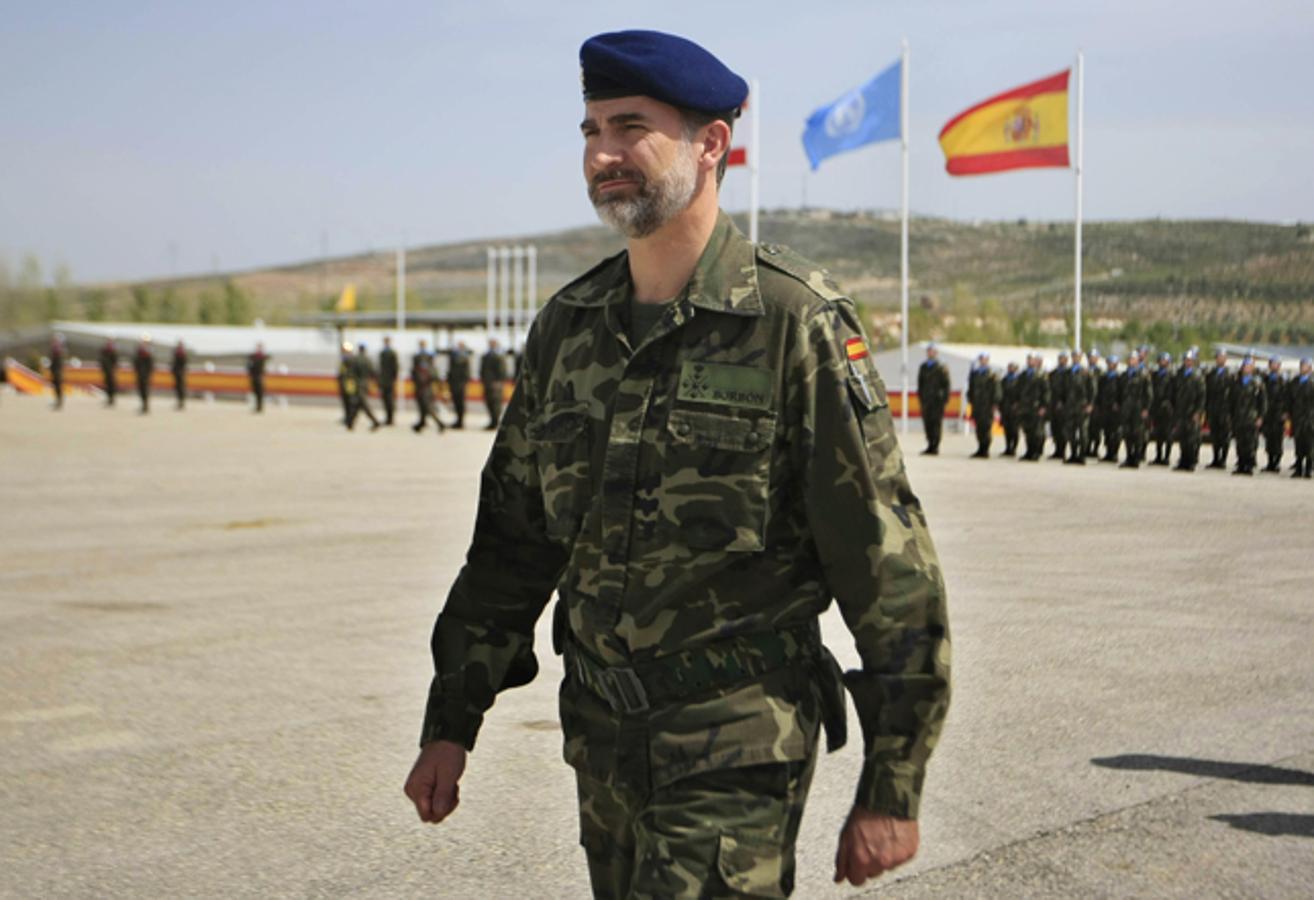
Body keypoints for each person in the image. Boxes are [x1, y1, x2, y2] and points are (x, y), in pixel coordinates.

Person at [402, 30, 950, 898]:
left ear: (712, 145)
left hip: (736, 743)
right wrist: (452, 720)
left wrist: (894, 784)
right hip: (601, 738)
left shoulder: (792, 324)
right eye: (589, 130)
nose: (603, 153)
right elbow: (512, 543)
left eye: (630, 127)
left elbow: (887, 564)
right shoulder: (569, 327)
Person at [1230, 356, 1265, 476]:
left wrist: (1260, 416)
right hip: (1239, 417)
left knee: (1250, 442)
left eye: (1249, 366)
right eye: (1245, 366)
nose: (1247, 368)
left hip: (1251, 417)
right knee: (1240, 442)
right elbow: (1232, 400)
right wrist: (1231, 415)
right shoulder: (1237, 382)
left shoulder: (1257, 383)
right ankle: (1241, 464)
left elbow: (1263, 402)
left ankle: (1249, 465)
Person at [1172, 349, 1206, 472]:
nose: (1188, 362)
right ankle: (1183, 460)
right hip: (1181, 411)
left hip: (1192, 412)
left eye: (1190, 360)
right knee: (1182, 437)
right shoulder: (1179, 374)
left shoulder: (1197, 376)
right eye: (1186, 360)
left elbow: (1202, 396)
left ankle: (1191, 461)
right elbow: (1174, 393)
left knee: (1192, 438)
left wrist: (1198, 411)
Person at [1119, 350, 1153, 469]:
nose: (1131, 361)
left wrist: (1145, 409)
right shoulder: (1124, 375)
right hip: (1126, 409)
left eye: (1133, 359)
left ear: (1138, 361)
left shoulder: (1143, 375)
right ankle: (1129, 457)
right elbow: (1120, 393)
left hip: (1138, 409)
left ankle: (1137, 458)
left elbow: (1148, 394)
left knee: (1137, 434)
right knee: (1127, 433)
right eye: (1129, 359)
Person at [916, 343, 950, 455]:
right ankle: (930, 445)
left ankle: (935, 446)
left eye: (932, 351)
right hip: (926, 401)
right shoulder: (923, 367)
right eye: (928, 351)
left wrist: (944, 400)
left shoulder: (941, 368)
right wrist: (921, 398)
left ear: (936, 353)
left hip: (937, 402)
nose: (930, 353)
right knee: (927, 423)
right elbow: (920, 384)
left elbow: (947, 385)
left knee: (936, 424)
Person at [1017, 352, 1050, 461]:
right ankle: (1029, 451)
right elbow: (1018, 390)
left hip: (1036, 406)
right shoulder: (1023, 374)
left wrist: (1043, 406)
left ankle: (1036, 452)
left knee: (1037, 431)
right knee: (1028, 431)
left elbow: (1046, 392)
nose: (1030, 361)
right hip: (1025, 407)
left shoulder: (1041, 375)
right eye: (1029, 359)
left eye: (1032, 359)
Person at [966, 352, 999, 458]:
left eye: (984, 359)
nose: (982, 361)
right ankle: (980, 448)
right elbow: (971, 388)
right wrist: (970, 400)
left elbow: (997, 391)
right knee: (979, 428)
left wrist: (994, 403)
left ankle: (985, 449)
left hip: (987, 406)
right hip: (977, 405)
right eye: (981, 359)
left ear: (988, 360)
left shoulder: (992, 375)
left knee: (986, 428)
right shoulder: (975, 374)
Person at [1205, 349, 1233, 469]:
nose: (1220, 359)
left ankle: (1223, 459)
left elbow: (1234, 395)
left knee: (1225, 436)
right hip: (1213, 409)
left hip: (1225, 410)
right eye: (1218, 357)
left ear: (1225, 359)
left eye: (1222, 357)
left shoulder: (1230, 375)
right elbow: (1207, 392)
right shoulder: (1211, 374)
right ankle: (1215, 458)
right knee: (1215, 435)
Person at [1063, 351, 1092, 465]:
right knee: (1070, 432)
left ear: (1081, 358)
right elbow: (1063, 389)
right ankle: (1073, 454)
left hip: (1082, 406)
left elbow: (1092, 389)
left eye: (1078, 357)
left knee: (1083, 432)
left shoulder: (1086, 372)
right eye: (1074, 356)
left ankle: (1082, 455)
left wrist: (1090, 404)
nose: (1075, 358)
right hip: (1070, 407)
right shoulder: (1068, 372)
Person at [411, 340, 446, 434]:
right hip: (422, 386)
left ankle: (440, 423)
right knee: (422, 406)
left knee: (427, 407)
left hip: (425, 387)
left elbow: (428, 374)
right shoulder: (419, 357)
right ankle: (421, 424)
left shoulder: (426, 360)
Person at [1148, 351, 1176, 465]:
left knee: (1168, 434)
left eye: (1165, 360)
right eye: (1161, 360)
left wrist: (1172, 405)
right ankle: (1158, 456)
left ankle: (1166, 456)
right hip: (1157, 407)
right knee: (1158, 433)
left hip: (1168, 408)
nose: (1162, 362)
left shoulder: (1172, 375)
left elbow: (1175, 393)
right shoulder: (1155, 375)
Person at [1261, 357, 1288, 473]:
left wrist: (1285, 412)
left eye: (1276, 364)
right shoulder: (1265, 380)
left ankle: (1276, 463)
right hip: (1268, 414)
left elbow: (1288, 398)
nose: (1274, 366)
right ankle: (1270, 462)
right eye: (1272, 364)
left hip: (1278, 414)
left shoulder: (1283, 381)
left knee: (1277, 439)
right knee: (1269, 439)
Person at [1288, 357, 1313, 479]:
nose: (1303, 368)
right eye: (1302, 365)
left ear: (1310, 368)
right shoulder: (1295, 382)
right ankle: (1298, 468)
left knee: (1309, 444)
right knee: (1298, 444)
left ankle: (1308, 469)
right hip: (1297, 418)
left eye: (1306, 366)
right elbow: (1290, 399)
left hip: (1310, 419)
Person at [1096, 355, 1122, 462]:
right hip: (1105, 408)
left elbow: (1122, 392)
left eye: (1113, 363)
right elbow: (1099, 392)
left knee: (1115, 432)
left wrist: (1118, 403)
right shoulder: (1103, 378)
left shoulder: (1119, 378)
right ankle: (1108, 452)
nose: (1111, 365)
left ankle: (1115, 453)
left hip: (1115, 409)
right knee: (1106, 431)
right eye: (1109, 363)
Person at [479, 338, 508, 430]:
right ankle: (492, 421)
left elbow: (502, 371)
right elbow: (482, 370)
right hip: (487, 383)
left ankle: (496, 422)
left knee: (496, 403)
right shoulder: (485, 355)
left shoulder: (499, 356)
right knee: (489, 402)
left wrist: (499, 382)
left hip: (496, 384)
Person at [1046, 351, 1070, 460]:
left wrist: (1063, 401)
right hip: (1053, 404)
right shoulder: (1053, 373)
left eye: (1064, 358)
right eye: (1060, 358)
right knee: (1054, 428)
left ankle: (1062, 450)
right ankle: (1057, 450)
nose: (1062, 360)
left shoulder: (1069, 373)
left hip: (1064, 406)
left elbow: (1069, 390)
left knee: (1063, 429)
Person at [352, 343, 382, 430]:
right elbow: (373, 372)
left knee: (362, 404)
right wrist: (378, 384)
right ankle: (350, 422)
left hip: (358, 384)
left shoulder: (356, 359)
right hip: (366, 384)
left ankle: (375, 421)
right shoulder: (368, 360)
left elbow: (352, 373)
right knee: (358, 404)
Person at [446, 342, 471, 428]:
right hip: (453, 383)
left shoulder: (465, 358)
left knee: (461, 403)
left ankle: (461, 421)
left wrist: (464, 383)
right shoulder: (453, 357)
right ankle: (458, 421)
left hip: (461, 384)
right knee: (456, 403)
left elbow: (467, 373)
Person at [999, 360, 1021, 457]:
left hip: (1016, 408)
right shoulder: (1004, 380)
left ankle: (1014, 448)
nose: (1010, 369)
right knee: (1007, 429)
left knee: (1014, 429)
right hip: (1005, 408)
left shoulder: (1020, 380)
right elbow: (1000, 393)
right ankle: (1007, 447)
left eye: (1012, 367)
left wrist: (1018, 403)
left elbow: (1022, 393)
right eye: (1009, 367)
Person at [1085, 349, 1104, 456]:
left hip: (1097, 405)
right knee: (1087, 428)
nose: (1092, 359)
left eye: (1094, 357)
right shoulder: (1085, 371)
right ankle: (1086, 448)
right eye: (1090, 357)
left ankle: (1095, 449)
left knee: (1096, 429)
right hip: (1086, 404)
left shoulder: (1100, 373)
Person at [379, 336, 400, 426]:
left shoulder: (392, 353)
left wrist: (394, 379)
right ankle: (387, 418)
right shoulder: (382, 353)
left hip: (390, 380)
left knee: (390, 400)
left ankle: (391, 418)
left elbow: (395, 367)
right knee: (385, 400)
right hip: (384, 380)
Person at [133, 335, 154, 414]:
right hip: (140, 373)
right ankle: (143, 405)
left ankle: (145, 406)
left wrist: (149, 374)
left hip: (146, 374)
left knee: (145, 390)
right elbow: (136, 362)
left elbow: (151, 365)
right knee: (140, 390)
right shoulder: (139, 350)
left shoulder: (149, 351)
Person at [247, 343, 270, 413]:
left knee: (260, 393)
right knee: (256, 392)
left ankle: (260, 407)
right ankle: (257, 407)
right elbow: (249, 366)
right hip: (254, 376)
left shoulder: (262, 357)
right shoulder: (253, 356)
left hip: (259, 376)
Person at [99, 338, 119, 407]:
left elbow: (115, 361)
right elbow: (102, 360)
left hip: (111, 371)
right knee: (107, 385)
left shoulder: (114, 351)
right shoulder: (104, 350)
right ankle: (109, 398)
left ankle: (111, 399)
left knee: (112, 385)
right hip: (106, 371)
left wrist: (114, 370)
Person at [49, 334, 66, 410]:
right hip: (55, 371)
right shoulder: (55, 352)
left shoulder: (59, 352)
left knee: (58, 387)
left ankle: (59, 401)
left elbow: (59, 364)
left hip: (57, 372)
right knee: (56, 387)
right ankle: (58, 401)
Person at [171, 340, 188, 410]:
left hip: (180, 373)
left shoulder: (182, 353)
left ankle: (181, 402)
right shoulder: (177, 352)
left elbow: (183, 364)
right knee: (178, 388)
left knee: (181, 388)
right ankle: (180, 402)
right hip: (178, 373)